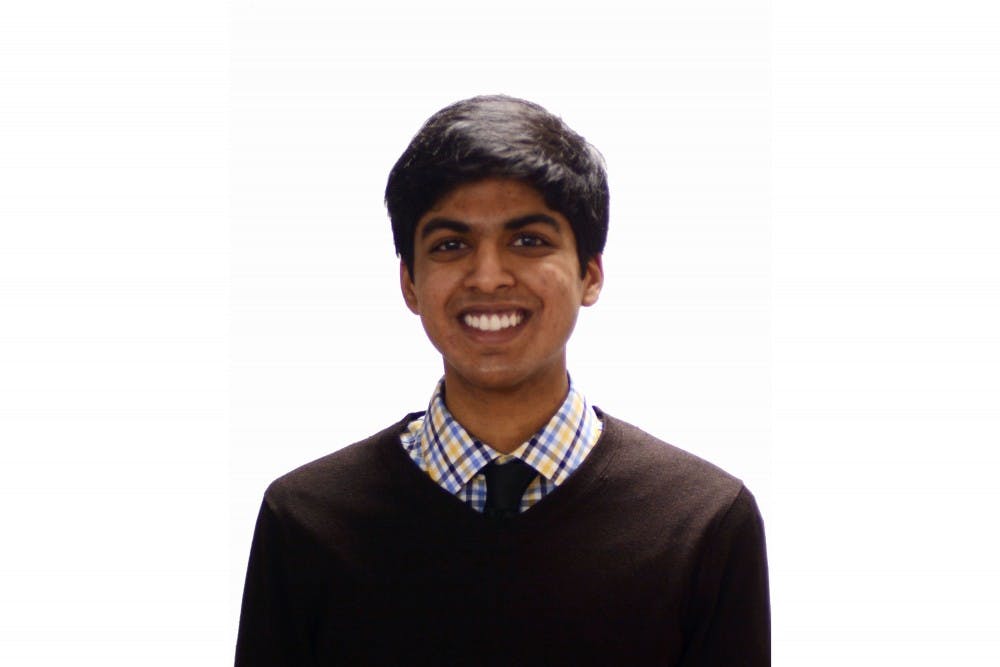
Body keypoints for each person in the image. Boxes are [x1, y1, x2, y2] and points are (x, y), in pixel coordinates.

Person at [235, 95, 770, 666]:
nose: (488, 277)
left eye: (528, 240)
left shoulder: (703, 523)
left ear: (590, 274)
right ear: (409, 283)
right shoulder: (307, 523)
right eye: (451, 245)